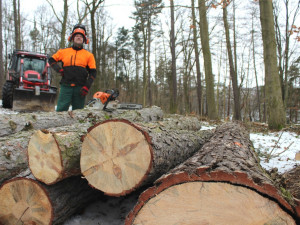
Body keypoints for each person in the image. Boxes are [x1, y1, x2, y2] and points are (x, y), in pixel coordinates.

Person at [49, 24, 96, 111]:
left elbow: (93, 73)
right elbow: (51, 60)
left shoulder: (89, 55)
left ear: (84, 39)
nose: (79, 37)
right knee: (61, 110)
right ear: (72, 38)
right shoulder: (64, 52)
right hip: (66, 86)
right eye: (77, 36)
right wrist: (59, 69)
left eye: (81, 36)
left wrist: (87, 86)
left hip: (80, 88)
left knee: (78, 112)